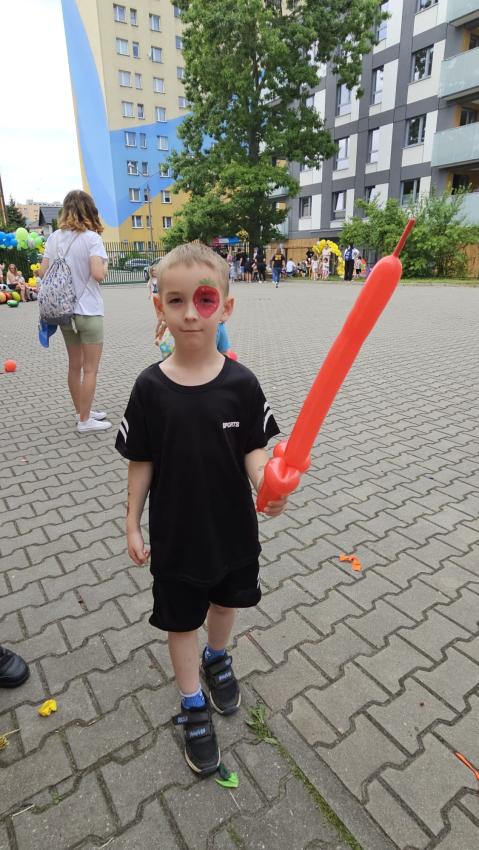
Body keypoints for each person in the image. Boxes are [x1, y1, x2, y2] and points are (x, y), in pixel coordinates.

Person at [115, 242, 287, 776]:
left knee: (226, 602)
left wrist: (267, 482)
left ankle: (218, 656)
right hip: (176, 536)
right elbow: (141, 460)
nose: (191, 313)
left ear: (226, 308)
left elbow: (254, 450)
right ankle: (192, 703)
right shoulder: (149, 388)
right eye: (176, 300)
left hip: (232, 529)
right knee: (181, 619)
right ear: (159, 307)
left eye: (205, 299)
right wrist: (131, 521)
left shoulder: (242, 383)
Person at [38, 190, 111, 434]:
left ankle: (82, 411)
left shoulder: (54, 238)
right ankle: (85, 421)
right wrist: (105, 265)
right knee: (90, 369)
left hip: (65, 312)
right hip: (89, 311)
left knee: (74, 366)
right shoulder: (92, 238)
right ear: (89, 210)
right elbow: (98, 274)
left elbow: (42, 272)